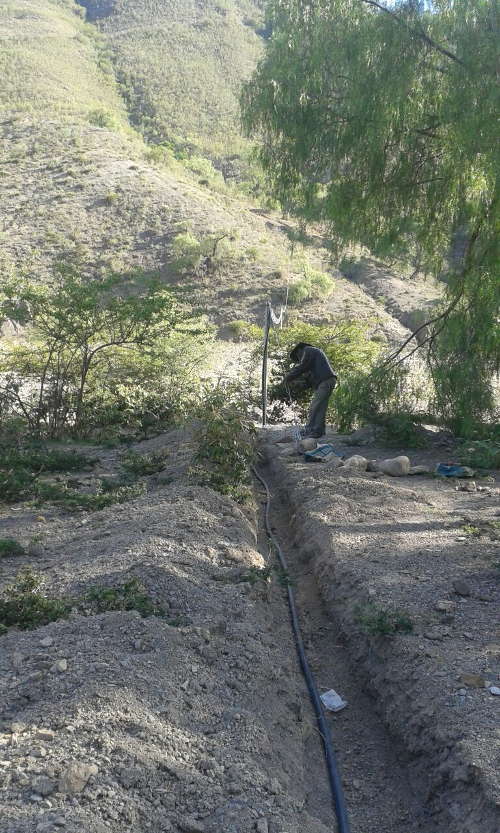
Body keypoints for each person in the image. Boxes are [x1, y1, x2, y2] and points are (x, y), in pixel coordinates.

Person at [285, 342, 337, 439]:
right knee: (321, 407)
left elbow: (303, 366)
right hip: (326, 381)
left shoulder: (308, 350)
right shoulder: (313, 356)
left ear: (299, 350)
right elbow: (308, 380)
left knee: (315, 406)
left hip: (325, 381)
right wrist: (297, 384)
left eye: (298, 357)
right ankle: (318, 431)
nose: (299, 359)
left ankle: (310, 429)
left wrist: (289, 376)